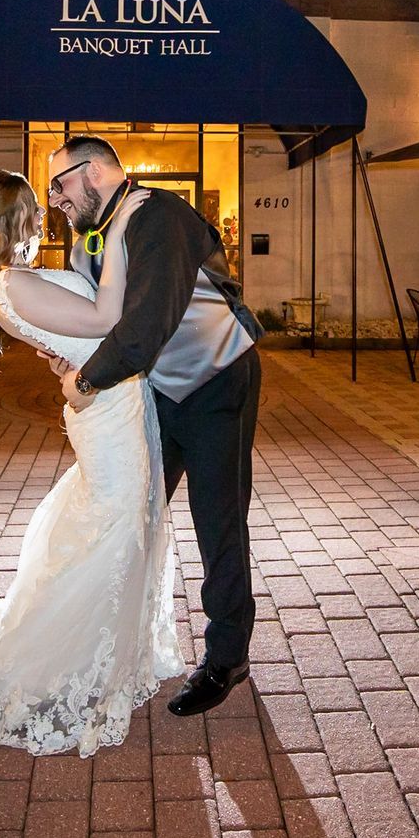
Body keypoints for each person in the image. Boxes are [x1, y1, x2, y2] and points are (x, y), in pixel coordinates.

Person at [0, 169, 180, 756]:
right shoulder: (10, 284)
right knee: (116, 524)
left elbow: (74, 329)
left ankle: (113, 651)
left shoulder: (10, 278)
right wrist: (116, 236)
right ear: (13, 218)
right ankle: (64, 657)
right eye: (33, 211)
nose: (43, 216)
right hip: (105, 408)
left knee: (124, 519)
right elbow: (102, 321)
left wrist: (66, 361)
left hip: (109, 398)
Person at [45, 135, 263, 717]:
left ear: (93, 172)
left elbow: (144, 327)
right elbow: (104, 320)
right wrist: (73, 354)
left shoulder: (160, 215)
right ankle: (115, 643)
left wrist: (86, 382)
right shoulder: (93, 235)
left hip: (216, 378)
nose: (55, 200)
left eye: (60, 185)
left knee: (217, 518)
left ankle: (227, 656)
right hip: (152, 393)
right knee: (135, 512)